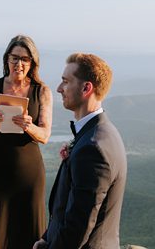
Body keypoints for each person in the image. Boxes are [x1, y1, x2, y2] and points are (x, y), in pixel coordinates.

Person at [33, 53, 127, 249]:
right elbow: (65, 209)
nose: (59, 89)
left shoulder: (93, 148)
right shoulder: (100, 132)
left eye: (66, 82)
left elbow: (78, 226)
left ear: (86, 88)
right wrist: (46, 239)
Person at [0, 35, 53, 249]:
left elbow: (45, 135)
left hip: (28, 171)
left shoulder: (42, 91)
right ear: (7, 59)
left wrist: (28, 125)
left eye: (25, 59)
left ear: (32, 63)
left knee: (29, 229)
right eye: (15, 58)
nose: (19, 64)